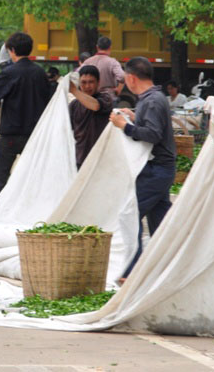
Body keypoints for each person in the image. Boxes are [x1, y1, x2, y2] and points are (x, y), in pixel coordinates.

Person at [109, 56, 176, 280]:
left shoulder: (152, 100)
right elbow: (151, 125)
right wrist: (134, 117)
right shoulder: (153, 98)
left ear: (131, 78)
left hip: (156, 170)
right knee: (159, 223)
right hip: (161, 170)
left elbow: (153, 134)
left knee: (129, 214)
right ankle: (161, 269)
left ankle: (132, 270)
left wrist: (124, 128)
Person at [0, 32, 52, 200]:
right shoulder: (40, 74)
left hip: (11, 135)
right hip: (35, 135)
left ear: (12, 50)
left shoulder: (9, 73)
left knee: (1, 179)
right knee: (33, 177)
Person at [69, 65, 114, 168]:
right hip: (79, 157)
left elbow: (95, 106)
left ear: (98, 82)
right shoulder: (74, 105)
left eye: (91, 82)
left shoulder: (106, 98)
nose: (87, 86)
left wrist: (74, 91)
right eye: (83, 82)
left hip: (100, 159)